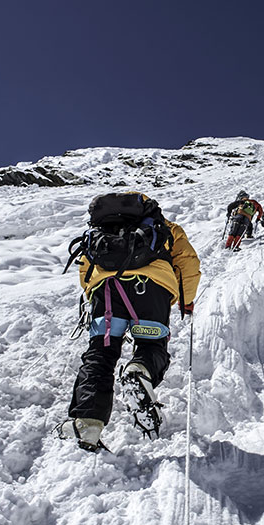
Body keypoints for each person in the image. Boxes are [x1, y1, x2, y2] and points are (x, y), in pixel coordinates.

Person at [57, 192, 201, 451]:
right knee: (151, 344)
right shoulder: (165, 227)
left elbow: (85, 268)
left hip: (107, 291)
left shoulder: (101, 230)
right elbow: (188, 264)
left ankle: (87, 422)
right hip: (152, 289)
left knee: (100, 353)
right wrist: (186, 301)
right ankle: (140, 371)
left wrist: (94, 293)